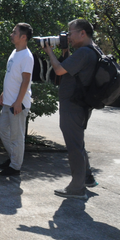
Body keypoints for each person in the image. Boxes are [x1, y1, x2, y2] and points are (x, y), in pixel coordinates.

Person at [42, 19, 99, 199]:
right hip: (81, 104)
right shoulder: (93, 50)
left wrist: (49, 51)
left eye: (70, 33)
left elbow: (59, 70)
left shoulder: (83, 52)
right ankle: (87, 178)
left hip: (73, 105)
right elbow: (70, 69)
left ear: (82, 33)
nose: (68, 36)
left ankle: (77, 188)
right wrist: (65, 51)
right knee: (78, 142)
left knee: (74, 146)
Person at [0, 23, 34, 177]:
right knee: (2, 130)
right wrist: (4, 92)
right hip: (8, 101)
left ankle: (15, 167)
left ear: (23, 37)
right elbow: (11, 75)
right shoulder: (15, 52)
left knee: (16, 137)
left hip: (18, 104)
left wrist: (18, 102)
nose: (11, 35)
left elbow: (26, 80)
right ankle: (14, 158)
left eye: (14, 32)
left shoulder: (27, 56)